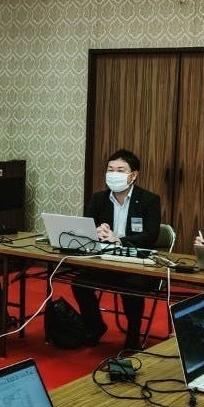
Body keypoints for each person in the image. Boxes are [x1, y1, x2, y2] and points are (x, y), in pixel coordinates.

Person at [70, 149, 162, 350]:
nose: (114, 174)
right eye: (110, 169)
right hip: (105, 261)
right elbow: (85, 230)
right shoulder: (99, 199)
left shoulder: (149, 200)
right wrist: (96, 232)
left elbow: (150, 236)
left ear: (133, 175)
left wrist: (119, 239)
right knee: (79, 283)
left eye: (120, 170)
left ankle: (133, 336)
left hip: (137, 263)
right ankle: (95, 326)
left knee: (131, 287)